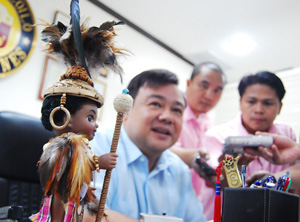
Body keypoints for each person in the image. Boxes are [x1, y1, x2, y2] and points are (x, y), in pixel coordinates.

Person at [30, 1, 126, 220]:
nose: (96, 124)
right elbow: (65, 169)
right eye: (90, 117)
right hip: (61, 200)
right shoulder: (59, 148)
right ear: (64, 117)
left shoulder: (79, 147)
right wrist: (97, 162)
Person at [91, 69, 207, 222]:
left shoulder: (180, 170)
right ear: (126, 112)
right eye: (155, 104)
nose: (167, 117)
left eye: (177, 110)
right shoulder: (96, 147)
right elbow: (82, 213)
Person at [200, 71, 297, 220]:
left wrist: (273, 179)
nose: (258, 110)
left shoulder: (285, 133)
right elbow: (217, 183)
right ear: (240, 103)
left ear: (280, 107)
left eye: (268, 103)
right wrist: (231, 172)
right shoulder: (218, 135)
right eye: (251, 101)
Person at [170, 62, 226, 193]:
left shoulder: (206, 120)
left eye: (217, 90)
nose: (209, 96)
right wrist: (192, 157)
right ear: (189, 84)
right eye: (204, 86)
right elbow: (161, 148)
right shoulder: (173, 110)